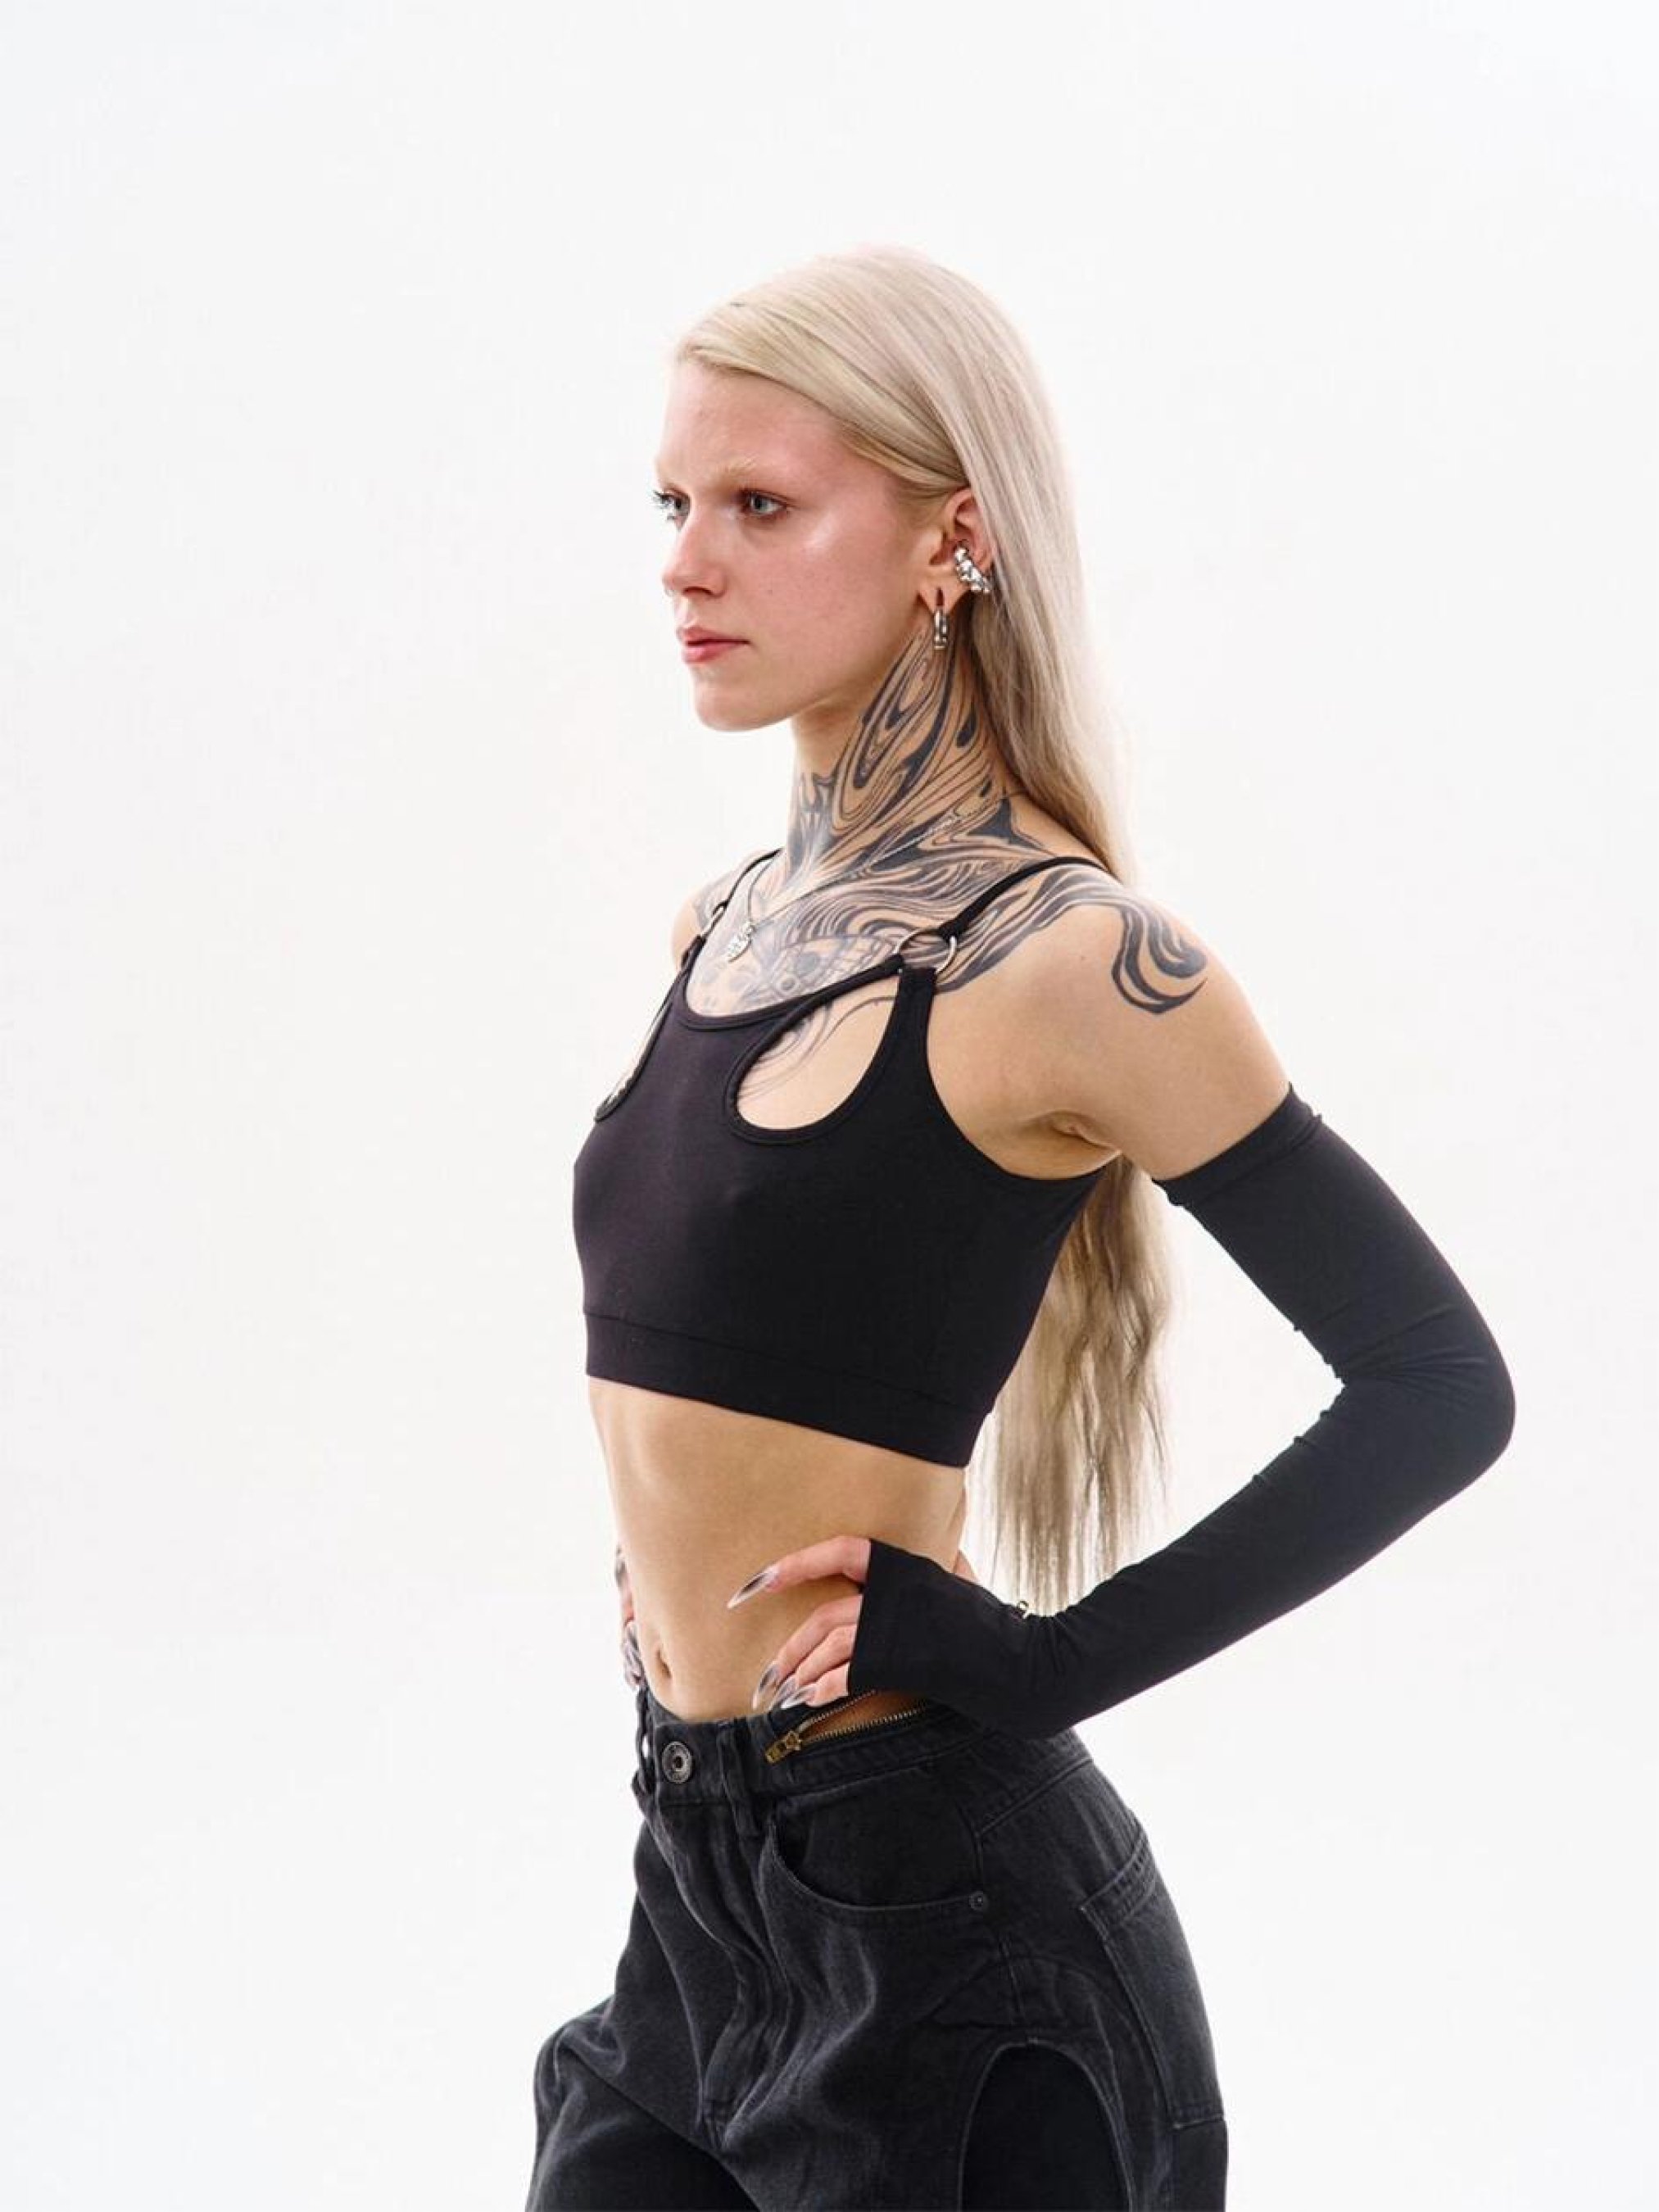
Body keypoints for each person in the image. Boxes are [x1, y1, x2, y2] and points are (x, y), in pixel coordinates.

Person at [524, 246, 1516, 2212]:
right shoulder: (722, 928)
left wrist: (1042, 1664)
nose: (685, 564)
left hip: (947, 1937)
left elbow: (1434, 1385)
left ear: (948, 538)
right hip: (697, 1893)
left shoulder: (1074, 964)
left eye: (760, 505)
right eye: (671, 503)